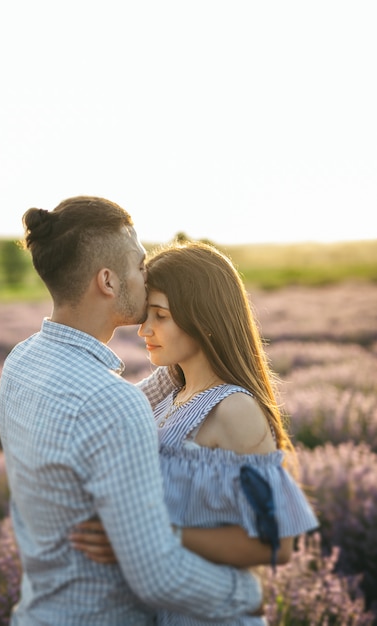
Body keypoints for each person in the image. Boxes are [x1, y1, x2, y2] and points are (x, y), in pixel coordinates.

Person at [0, 197, 264, 626]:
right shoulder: (109, 404)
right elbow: (160, 577)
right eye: (140, 266)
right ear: (107, 280)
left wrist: (189, 345)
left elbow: (93, 419)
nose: (146, 275)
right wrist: (246, 592)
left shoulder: (23, 361)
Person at [72, 240, 319, 625]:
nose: (144, 330)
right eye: (145, 315)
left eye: (160, 316)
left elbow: (276, 543)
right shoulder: (169, 391)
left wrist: (149, 536)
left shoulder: (234, 409)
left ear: (203, 318)